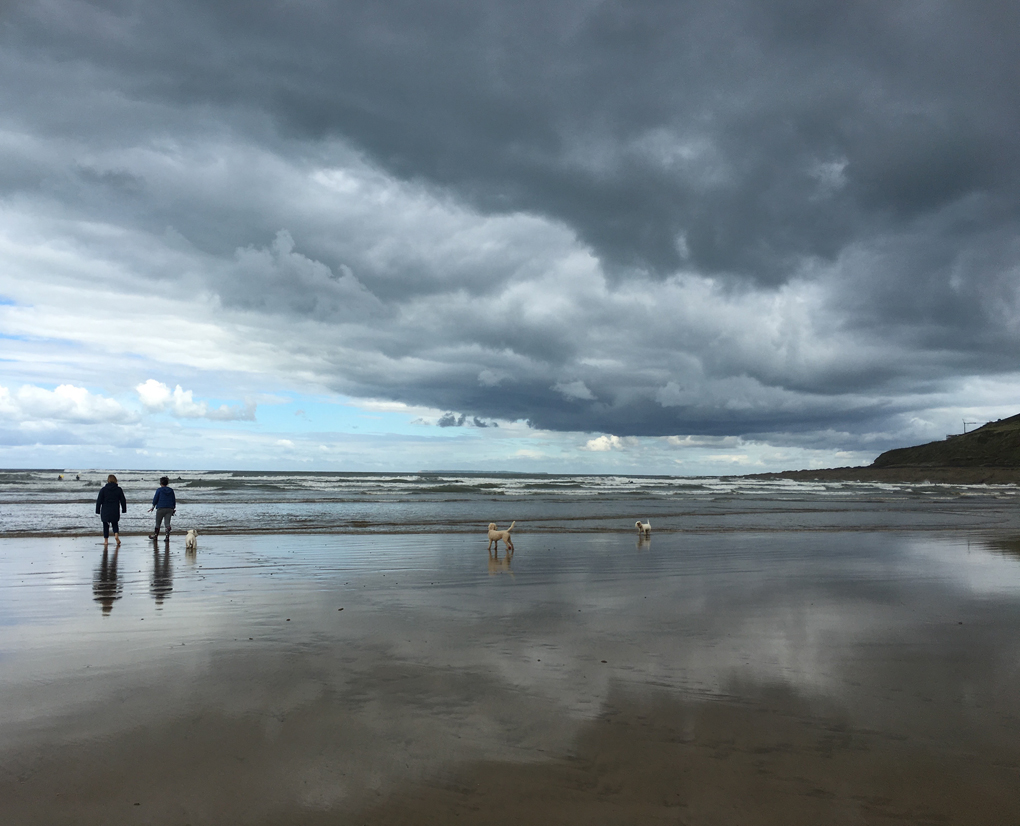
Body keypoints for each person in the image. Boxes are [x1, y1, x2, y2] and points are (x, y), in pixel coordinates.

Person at [95, 474, 127, 546]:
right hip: (115, 510)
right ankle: (116, 535)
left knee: (105, 525)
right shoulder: (118, 489)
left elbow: (99, 501)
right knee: (115, 524)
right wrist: (124, 509)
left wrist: (97, 510)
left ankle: (106, 541)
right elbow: (123, 500)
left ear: (108, 480)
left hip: (105, 510)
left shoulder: (103, 490)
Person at [148, 476, 176, 540]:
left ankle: (155, 536)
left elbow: (155, 499)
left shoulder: (159, 490)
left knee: (158, 523)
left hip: (160, 508)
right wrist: (173, 508)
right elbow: (173, 499)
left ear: (161, 483)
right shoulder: (171, 490)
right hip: (169, 508)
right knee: (167, 523)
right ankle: (167, 536)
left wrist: (153, 507)